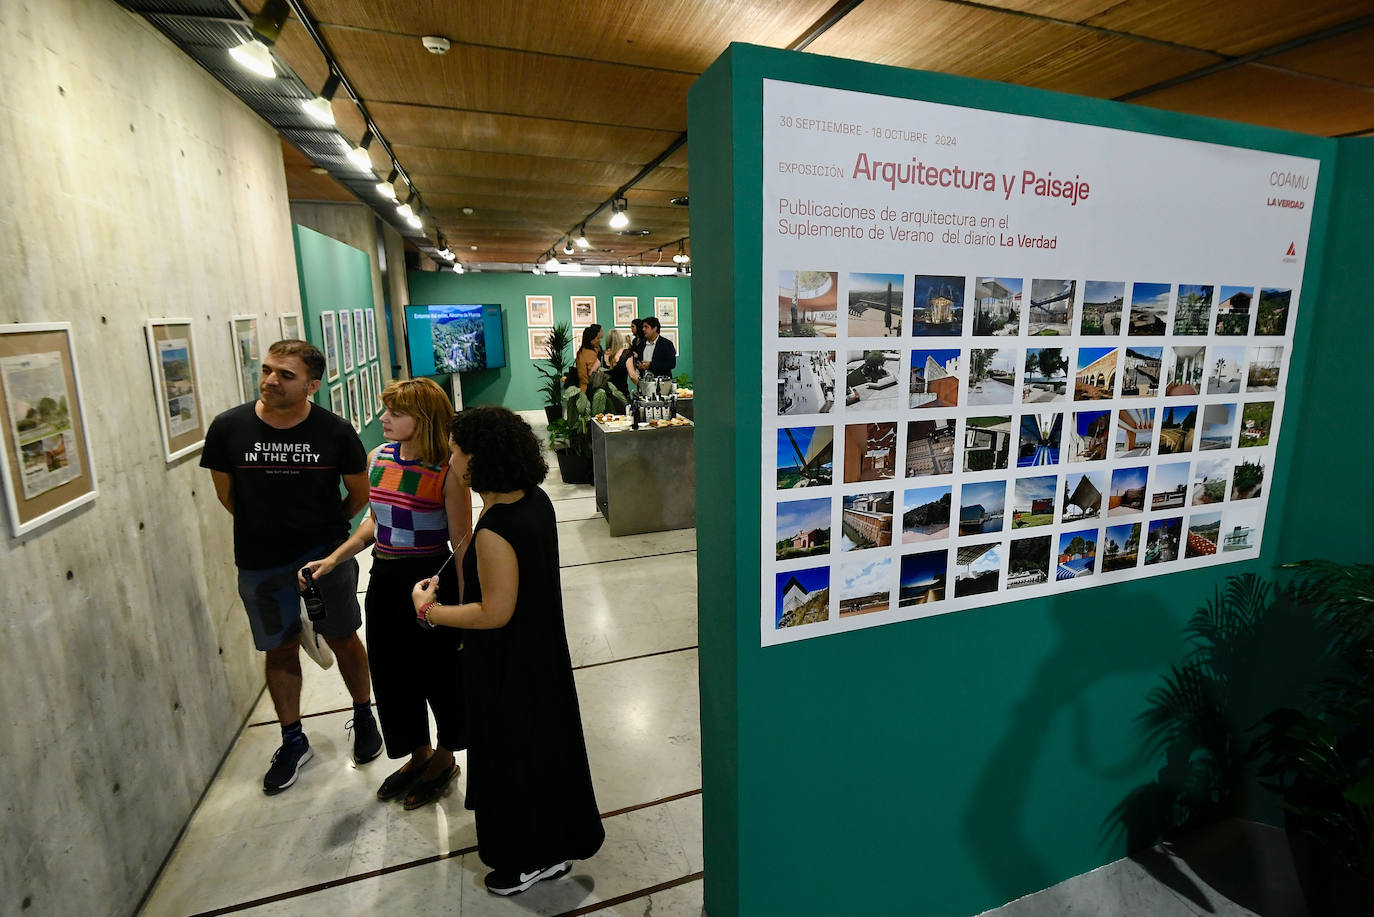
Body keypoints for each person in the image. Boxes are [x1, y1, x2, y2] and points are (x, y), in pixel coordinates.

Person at [411, 406, 604, 897]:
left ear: (478, 459)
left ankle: (526, 858)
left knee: (515, 757)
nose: (449, 460)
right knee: (543, 750)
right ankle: (554, 843)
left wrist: (428, 612)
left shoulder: (497, 528)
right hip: (540, 651)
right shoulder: (533, 501)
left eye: (455, 451)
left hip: (509, 663)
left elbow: (494, 611)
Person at [201, 339, 382, 795]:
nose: (270, 381)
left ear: (312, 385)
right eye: (267, 370)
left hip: (324, 558)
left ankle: (364, 715)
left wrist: (325, 531)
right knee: (278, 649)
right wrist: (269, 531)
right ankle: (292, 738)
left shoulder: (336, 432)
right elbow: (228, 497)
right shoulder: (228, 428)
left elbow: (359, 497)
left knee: (342, 637)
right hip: (260, 563)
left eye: (285, 375)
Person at [299, 378, 473, 809]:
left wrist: (468, 606)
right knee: (392, 674)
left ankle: (446, 757)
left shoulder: (448, 472)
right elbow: (376, 524)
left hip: (430, 578)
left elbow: (461, 541)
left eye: (395, 413)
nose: (383, 419)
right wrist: (335, 558)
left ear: (424, 418)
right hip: (384, 578)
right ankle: (418, 754)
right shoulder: (378, 458)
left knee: (439, 673)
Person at [574, 323, 604, 393]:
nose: (600, 341)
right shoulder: (589, 353)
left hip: (584, 388)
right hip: (589, 390)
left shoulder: (583, 351)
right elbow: (592, 374)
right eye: (598, 338)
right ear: (591, 340)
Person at [604, 328, 635, 394]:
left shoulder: (602, 354)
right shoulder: (626, 353)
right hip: (622, 394)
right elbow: (632, 376)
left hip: (606, 395)